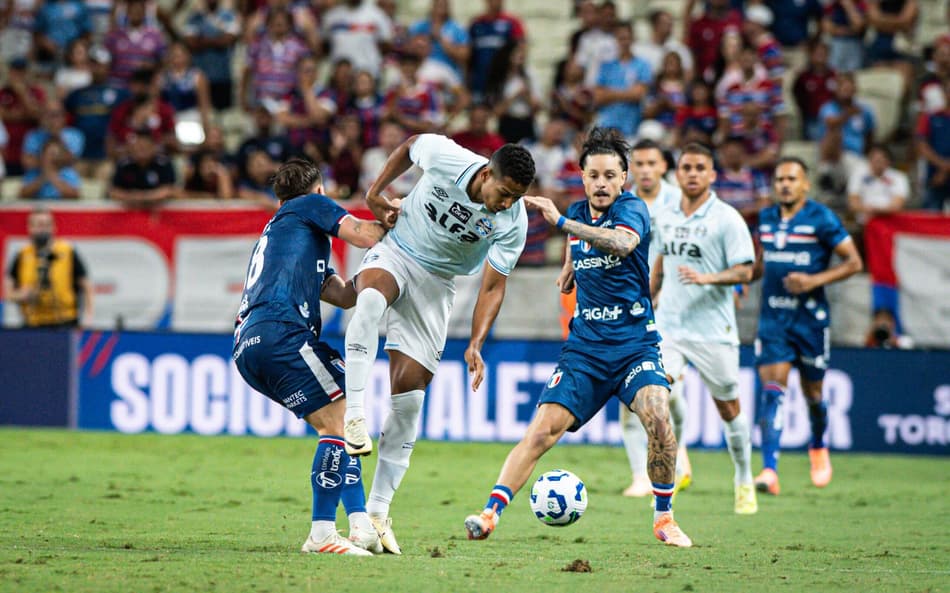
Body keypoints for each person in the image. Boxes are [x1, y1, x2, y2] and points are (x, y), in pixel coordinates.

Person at [463, 128, 692, 547]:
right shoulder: (577, 215)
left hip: (633, 347)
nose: (601, 183)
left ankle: (664, 519)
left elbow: (623, 244)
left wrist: (562, 222)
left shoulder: (632, 209)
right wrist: (569, 270)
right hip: (585, 351)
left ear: (624, 178)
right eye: (593, 176)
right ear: (583, 179)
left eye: (609, 176)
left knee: (658, 418)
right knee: (539, 434)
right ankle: (489, 514)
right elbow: (577, 252)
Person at [341, 133, 536, 554]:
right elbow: (410, 145)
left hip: (436, 285)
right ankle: (353, 417)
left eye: (516, 198)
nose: (506, 204)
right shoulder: (448, 156)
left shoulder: (513, 221)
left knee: (409, 399)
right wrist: (375, 194)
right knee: (369, 300)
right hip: (397, 251)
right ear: (487, 173)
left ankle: (377, 513)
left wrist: (476, 343)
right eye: (503, 193)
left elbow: (492, 287)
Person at [232, 157, 386, 556]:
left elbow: (346, 295)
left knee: (345, 410)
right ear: (320, 190)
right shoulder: (306, 206)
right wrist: (410, 218)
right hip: (282, 334)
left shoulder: (288, 236)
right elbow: (366, 234)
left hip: (252, 343)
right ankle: (321, 533)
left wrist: (375, 277)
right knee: (338, 422)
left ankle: (359, 525)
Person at [651, 143, 758, 515]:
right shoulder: (665, 216)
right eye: (686, 167)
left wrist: (707, 278)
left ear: (712, 175)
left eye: (700, 168)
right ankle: (677, 462)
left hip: (714, 330)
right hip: (670, 327)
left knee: (729, 407)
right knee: (658, 395)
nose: (692, 174)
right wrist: (649, 298)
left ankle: (743, 477)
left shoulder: (727, 219)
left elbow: (746, 270)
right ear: (677, 174)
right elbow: (660, 261)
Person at [753, 157, 863, 495]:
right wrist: (739, 281)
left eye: (792, 179)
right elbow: (761, 263)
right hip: (773, 318)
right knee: (773, 390)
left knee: (814, 395)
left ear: (805, 185)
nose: (784, 184)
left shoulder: (822, 218)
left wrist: (815, 280)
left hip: (810, 321)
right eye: (780, 179)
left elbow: (854, 262)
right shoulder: (767, 218)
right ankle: (769, 470)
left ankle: (818, 445)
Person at [620, 139, 690, 499]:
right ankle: (639, 476)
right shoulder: (622, 201)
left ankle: (682, 458)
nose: (645, 169)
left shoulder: (680, 203)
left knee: (667, 388)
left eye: (652, 163)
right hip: (631, 310)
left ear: (664, 166)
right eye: (640, 163)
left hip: (672, 311)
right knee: (630, 399)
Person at [5, 207, 93, 328]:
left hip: (66, 322)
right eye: (38, 225)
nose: (43, 229)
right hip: (32, 323)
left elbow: (86, 285)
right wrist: (21, 295)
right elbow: (8, 293)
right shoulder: (22, 255)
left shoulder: (67, 251)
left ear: (54, 227)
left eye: (46, 225)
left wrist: (88, 316)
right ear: (30, 228)